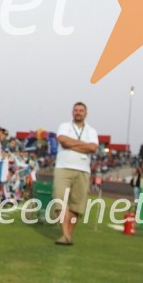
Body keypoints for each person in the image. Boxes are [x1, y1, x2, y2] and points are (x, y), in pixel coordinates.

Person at [53, 101, 99, 246]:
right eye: (76, 110)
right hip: (63, 167)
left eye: (81, 110)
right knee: (59, 200)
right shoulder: (64, 126)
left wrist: (72, 144)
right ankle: (66, 234)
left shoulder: (91, 131)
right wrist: (82, 145)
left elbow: (93, 148)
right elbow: (63, 141)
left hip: (83, 170)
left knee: (76, 206)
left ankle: (67, 235)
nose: (78, 112)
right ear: (72, 112)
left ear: (86, 113)